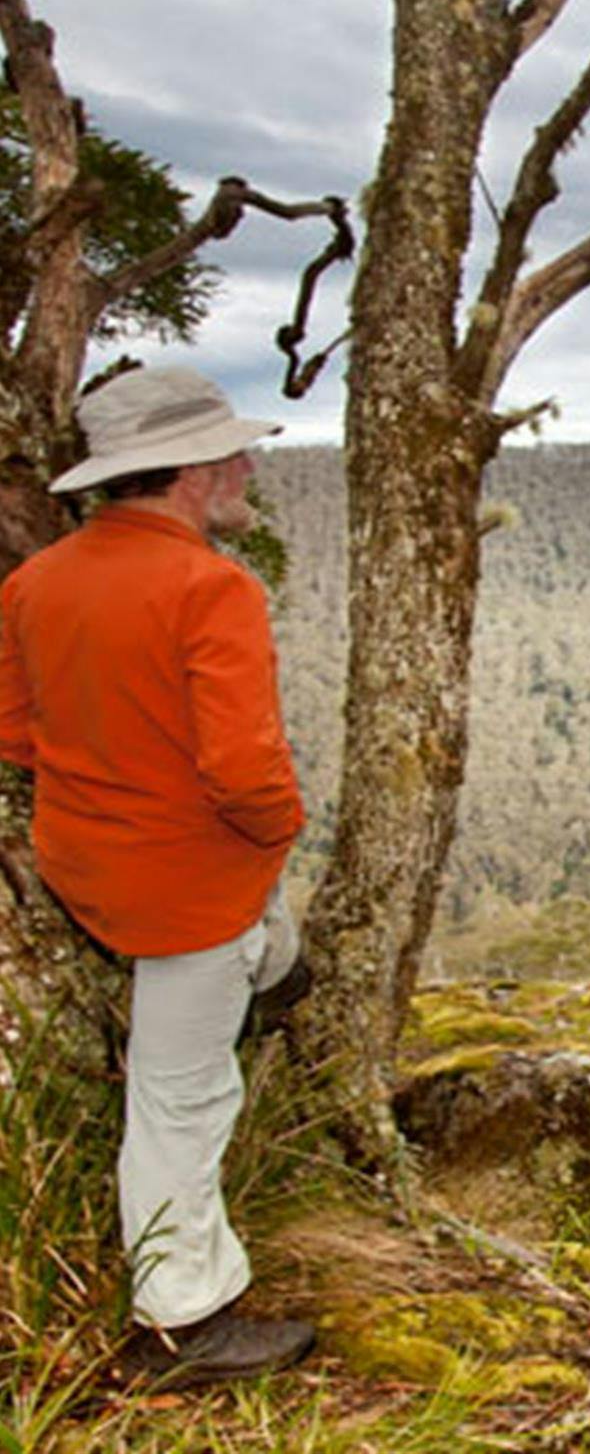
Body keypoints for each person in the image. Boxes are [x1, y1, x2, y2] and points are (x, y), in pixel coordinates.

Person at [0, 366, 316, 1385]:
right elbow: (244, 774)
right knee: (181, 1101)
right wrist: (280, 829)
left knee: (262, 955)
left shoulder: (36, 581)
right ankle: (182, 1325)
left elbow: (13, 730)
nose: (247, 468)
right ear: (187, 473)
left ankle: (271, 973)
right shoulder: (210, 586)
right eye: (232, 455)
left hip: (84, 863)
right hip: (186, 885)